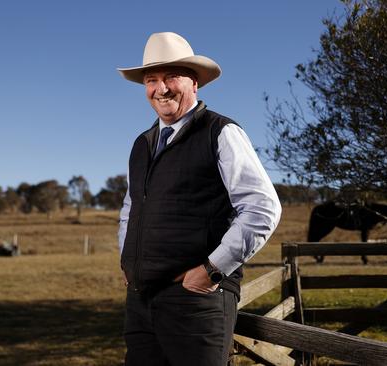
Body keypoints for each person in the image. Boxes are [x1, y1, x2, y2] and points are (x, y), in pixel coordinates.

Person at [117, 32, 281, 366]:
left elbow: (262, 208)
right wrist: (127, 258)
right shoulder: (143, 143)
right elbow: (132, 206)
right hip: (141, 301)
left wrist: (212, 270)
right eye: (151, 80)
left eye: (171, 77)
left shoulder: (220, 132)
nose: (160, 89)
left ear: (194, 83)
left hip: (196, 300)